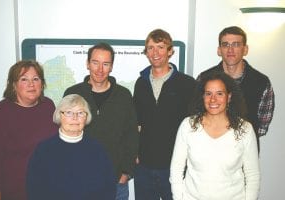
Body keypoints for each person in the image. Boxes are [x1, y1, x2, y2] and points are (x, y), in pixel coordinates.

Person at [63, 42, 138, 200]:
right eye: (95, 63)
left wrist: (125, 173)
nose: (100, 69)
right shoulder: (73, 94)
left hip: (115, 183)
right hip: (79, 181)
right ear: (87, 64)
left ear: (111, 67)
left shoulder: (123, 96)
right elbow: (64, 135)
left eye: (105, 64)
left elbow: (131, 136)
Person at [170, 72, 260, 200]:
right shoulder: (188, 126)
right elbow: (176, 170)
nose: (213, 99)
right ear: (203, 96)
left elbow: (253, 175)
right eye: (208, 94)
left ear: (229, 97)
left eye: (219, 93)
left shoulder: (245, 129)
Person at [133, 29, 197, 200]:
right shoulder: (141, 83)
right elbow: (137, 123)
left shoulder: (187, 84)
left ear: (170, 51)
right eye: (150, 48)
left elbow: (195, 125)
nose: (155, 53)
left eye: (160, 47)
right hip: (144, 167)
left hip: (175, 166)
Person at [0, 60, 58, 200]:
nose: (31, 84)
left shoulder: (48, 106)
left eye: (35, 79)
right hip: (15, 194)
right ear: (13, 85)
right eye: (24, 79)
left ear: (42, 84)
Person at [197, 26, 275, 152]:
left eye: (236, 44)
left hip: (245, 153)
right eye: (225, 45)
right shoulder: (204, 78)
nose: (230, 50)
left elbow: (262, 126)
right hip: (209, 151)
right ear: (219, 50)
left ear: (245, 49)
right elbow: (197, 115)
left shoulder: (261, 82)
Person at [26, 94, 116, 200]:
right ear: (59, 116)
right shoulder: (44, 150)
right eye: (69, 113)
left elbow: (108, 188)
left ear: (86, 117)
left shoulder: (98, 150)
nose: (75, 118)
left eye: (80, 113)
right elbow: (34, 189)